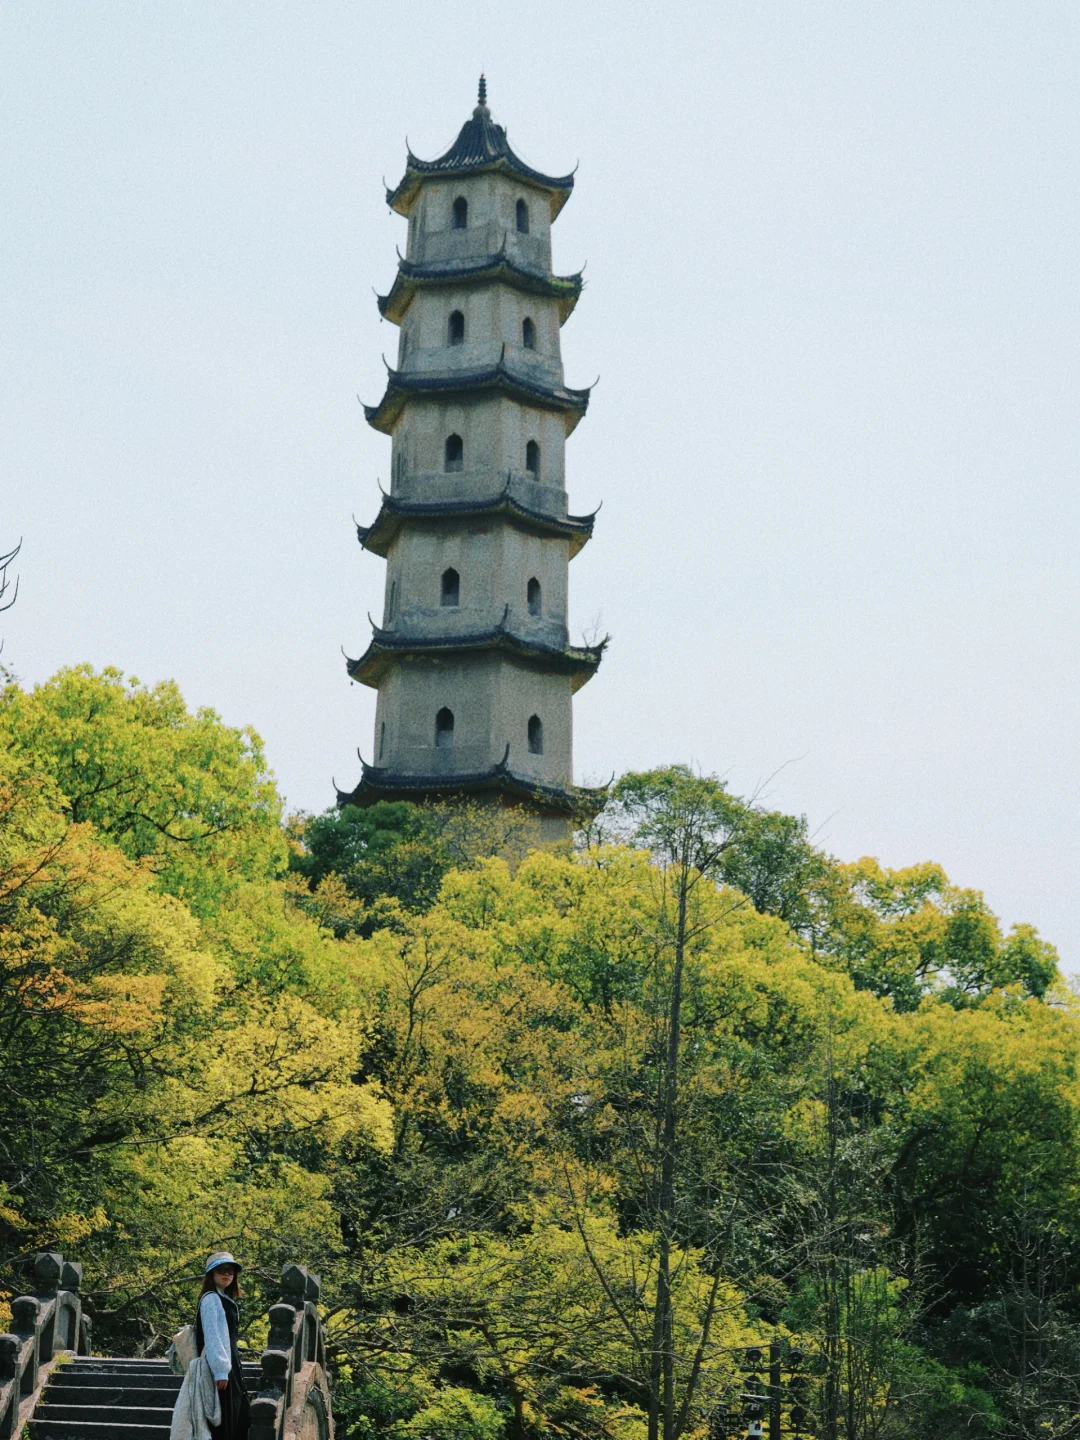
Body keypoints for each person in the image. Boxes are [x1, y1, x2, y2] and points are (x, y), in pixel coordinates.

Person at [194, 1251, 250, 1440]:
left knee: (236, 1417)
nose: (226, 1274)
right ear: (211, 1274)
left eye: (230, 1270)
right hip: (220, 1370)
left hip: (231, 1366)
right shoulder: (211, 1299)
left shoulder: (225, 1299)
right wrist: (220, 1370)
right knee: (223, 1419)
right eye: (221, 1270)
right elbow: (213, 1336)